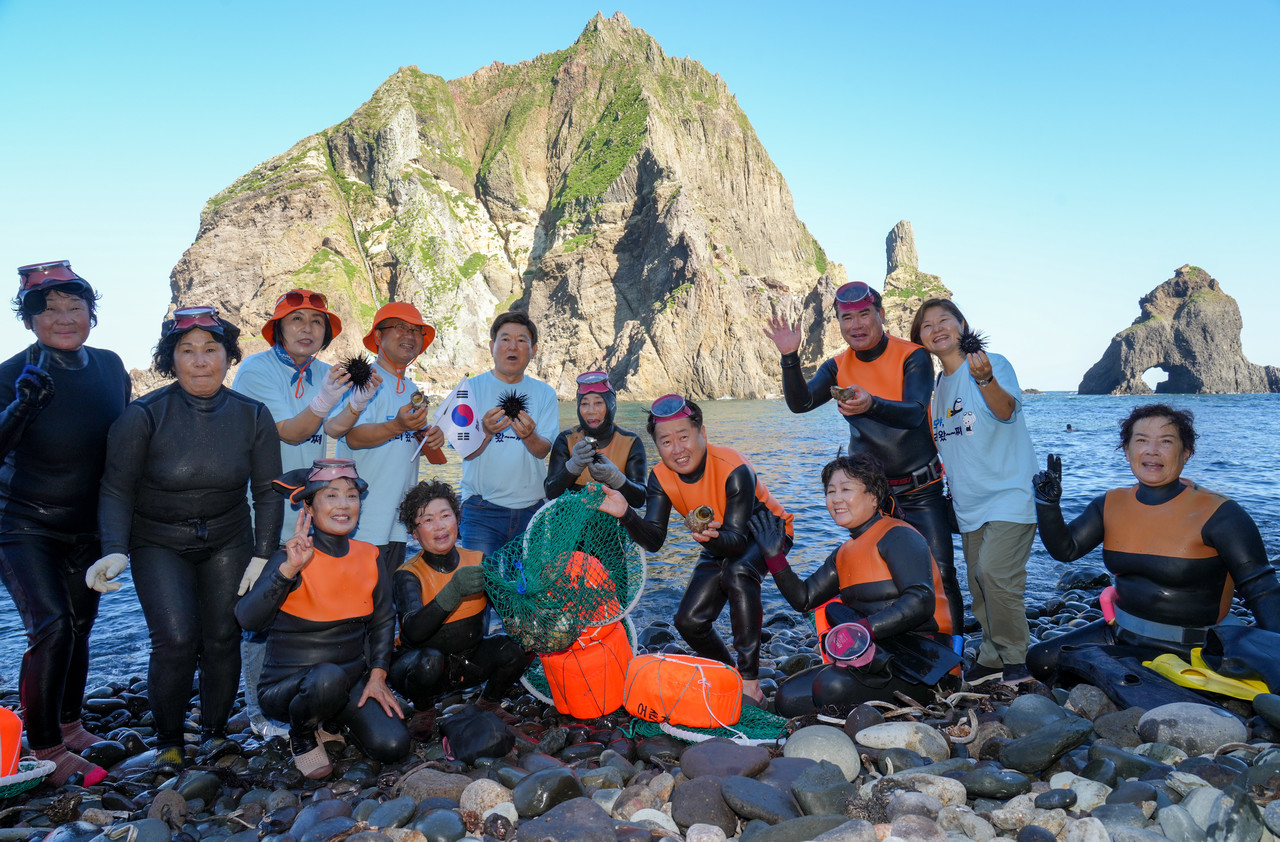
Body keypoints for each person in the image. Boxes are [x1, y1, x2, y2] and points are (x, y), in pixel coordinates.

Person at [90, 306, 282, 771]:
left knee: (221, 637)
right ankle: (170, 741)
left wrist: (263, 552)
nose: (200, 360)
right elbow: (116, 487)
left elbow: (268, 490)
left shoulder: (253, 416)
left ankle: (215, 734)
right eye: (187, 350)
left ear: (227, 356)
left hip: (228, 538)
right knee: (175, 640)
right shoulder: (144, 416)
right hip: (158, 541)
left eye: (211, 349)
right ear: (170, 359)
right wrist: (114, 548)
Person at [1028, 404, 1280, 680]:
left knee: (1100, 673)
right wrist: (1048, 504)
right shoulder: (1110, 504)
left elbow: (1262, 588)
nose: (1152, 451)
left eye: (1166, 441)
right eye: (1141, 440)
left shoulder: (1221, 514)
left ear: (1186, 453)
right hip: (1121, 633)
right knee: (1040, 660)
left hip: (1195, 648)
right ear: (1127, 451)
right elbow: (1066, 549)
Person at [765, 282, 962, 633]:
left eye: (864, 315)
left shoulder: (912, 355)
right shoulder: (837, 366)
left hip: (920, 488)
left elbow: (915, 413)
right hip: (872, 495)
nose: (855, 325)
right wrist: (789, 357)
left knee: (941, 572)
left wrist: (871, 403)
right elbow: (801, 404)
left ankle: (954, 652)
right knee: (876, 574)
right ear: (838, 323)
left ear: (880, 315)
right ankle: (886, 642)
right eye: (846, 318)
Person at [0, 261, 129, 785]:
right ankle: (46, 746)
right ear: (29, 320)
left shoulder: (110, 366)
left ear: (92, 316)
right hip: (22, 523)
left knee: (80, 626)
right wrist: (21, 408)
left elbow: (124, 447)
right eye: (48, 309)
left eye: (76, 306)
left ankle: (71, 726)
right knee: (50, 627)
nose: (64, 317)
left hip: (87, 525)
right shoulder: (11, 374)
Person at [232, 288, 368, 738]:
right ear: (278, 329)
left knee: (298, 611)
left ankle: (307, 701)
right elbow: (288, 434)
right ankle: (258, 714)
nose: (307, 328)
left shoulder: (326, 374)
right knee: (260, 616)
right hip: (264, 510)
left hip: (304, 512)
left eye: (316, 322)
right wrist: (325, 402)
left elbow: (331, 429)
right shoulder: (256, 370)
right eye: (297, 321)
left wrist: (355, 405)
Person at [596, 395, 793, 702]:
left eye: (684, 436)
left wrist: (710, 538)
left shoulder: (734, 468)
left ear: (703, 433)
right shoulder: (660, 476)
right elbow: (655, 540)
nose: (677, 449)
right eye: (665, 442)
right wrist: (626, 514)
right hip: (718, 538)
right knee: (688, 621)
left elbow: (738, 543)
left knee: (739, 572)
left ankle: (751, 681)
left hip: (767, 532)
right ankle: (730, 673)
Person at [235, 459, 408, 779]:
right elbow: (247, 620)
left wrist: (378, 675)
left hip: (346, 683)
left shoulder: (369, 555)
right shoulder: (289, 557)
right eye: (331, 495)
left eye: (351, 495)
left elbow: (384, 619)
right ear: (309, 508)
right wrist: (287, 571)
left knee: (394, 745)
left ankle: (331, 722)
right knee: (326, 679)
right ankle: (301, 735)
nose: (344, 505)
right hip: (287, 689)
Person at [749, 452, 958, 716]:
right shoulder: (843, 554)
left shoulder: (898, 535)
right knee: (786, 697)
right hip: (875, 657)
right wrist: (773, 556)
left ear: (873, 497)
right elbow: (803, 598)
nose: (836, 499)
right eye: (830, 491)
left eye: (846, 489)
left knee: (829, 687)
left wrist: (862, 630)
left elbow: (921, 600)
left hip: (926, 663)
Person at [911, 299, 1037, 686]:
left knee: (995, 573)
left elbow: (1005, 410)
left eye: (944, 319)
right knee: (978, 583)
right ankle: (991, 656)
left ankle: (1017, 659)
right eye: (927, 325)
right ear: (920, 339)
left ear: (962, 325)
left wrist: (984, 380)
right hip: (968, 502)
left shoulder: (991, 363)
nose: (936, 328)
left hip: (1011, 492)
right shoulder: (936, 389)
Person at [387, 480, 533, 713]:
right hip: (418, 667)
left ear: (458, 519)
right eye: (427, 520)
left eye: (445, 516)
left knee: (516, 646)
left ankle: (489, 702)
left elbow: (508, 610)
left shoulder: (477, 560)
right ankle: (424, 710)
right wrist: (453, 591)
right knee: (429, 661)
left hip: (469, 663)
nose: (439, 526)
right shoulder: (407, 574)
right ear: (414, 534)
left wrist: (530, 609)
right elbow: (413, 633)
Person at [327, 302, 440, 579]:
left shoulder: (413, 390)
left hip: (399, 522)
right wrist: (396, 425)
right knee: (358, 605)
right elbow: (352, 437)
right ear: (378, 337)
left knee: (384, 607)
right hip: (363, 521)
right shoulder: (363, 380)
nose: (410, 336)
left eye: (416, 331)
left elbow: (406, 444)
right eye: (400, 328)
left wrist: (430, 440)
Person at [458, 312, 558, 554]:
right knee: (479, 587)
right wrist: (485, 431)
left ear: (533, 350)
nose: (513, 346)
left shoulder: (545, 393)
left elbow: (543, 450)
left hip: (532, 511)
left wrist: (529, 436)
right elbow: (465, 452)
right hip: (481, 510)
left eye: (522, 340)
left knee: (525, 590)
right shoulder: (468, 389)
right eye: (505, 339)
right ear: (492, 347)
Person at [544, 370, 647, 508]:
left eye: (598, 403)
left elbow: (639, 500)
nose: (591, 410)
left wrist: (615, 478)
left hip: (613, 527)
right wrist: (572, 467)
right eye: (584, 404)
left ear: (611, 406)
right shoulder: (566, 439)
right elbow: (551, 493)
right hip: (572, 525)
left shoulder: (630, 442)